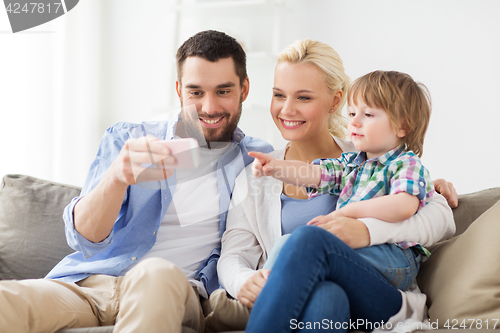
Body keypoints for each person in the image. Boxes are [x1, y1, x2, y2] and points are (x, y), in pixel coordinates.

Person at [0, 30, 272, 333]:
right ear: (180, 90)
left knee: (155, 274)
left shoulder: (257, 159)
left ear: (244, 89)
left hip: (173, 290)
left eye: (223, 92)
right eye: (196, 93)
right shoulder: (129, 138)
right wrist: (117, 177)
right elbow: (84, 239)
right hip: (93, 286)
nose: (208, 108)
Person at [218, 39, 457, 332]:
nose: (287, 109)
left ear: (335, 101)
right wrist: (244, 281)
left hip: (380, 294)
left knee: (305, 239)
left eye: (303, 98)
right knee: (326, 296)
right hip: (316, 302)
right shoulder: (339, 166)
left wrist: (365, 230)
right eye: (279, 95)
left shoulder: (377, 154)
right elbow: (233, 254)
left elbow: (441, 218)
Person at [250, 70, 435, 283]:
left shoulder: (406, 163)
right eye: (352, 113)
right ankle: (265, 290)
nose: (354, 123)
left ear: (402, 126)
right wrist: (275, 167)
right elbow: (313, 174)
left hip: (394, 258)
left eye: (368, 115)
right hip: (358, 252)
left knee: (309, 247)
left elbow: (403, 206)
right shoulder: (352, 163)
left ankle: (271, 293)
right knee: (287, 243)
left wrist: (346, 212)